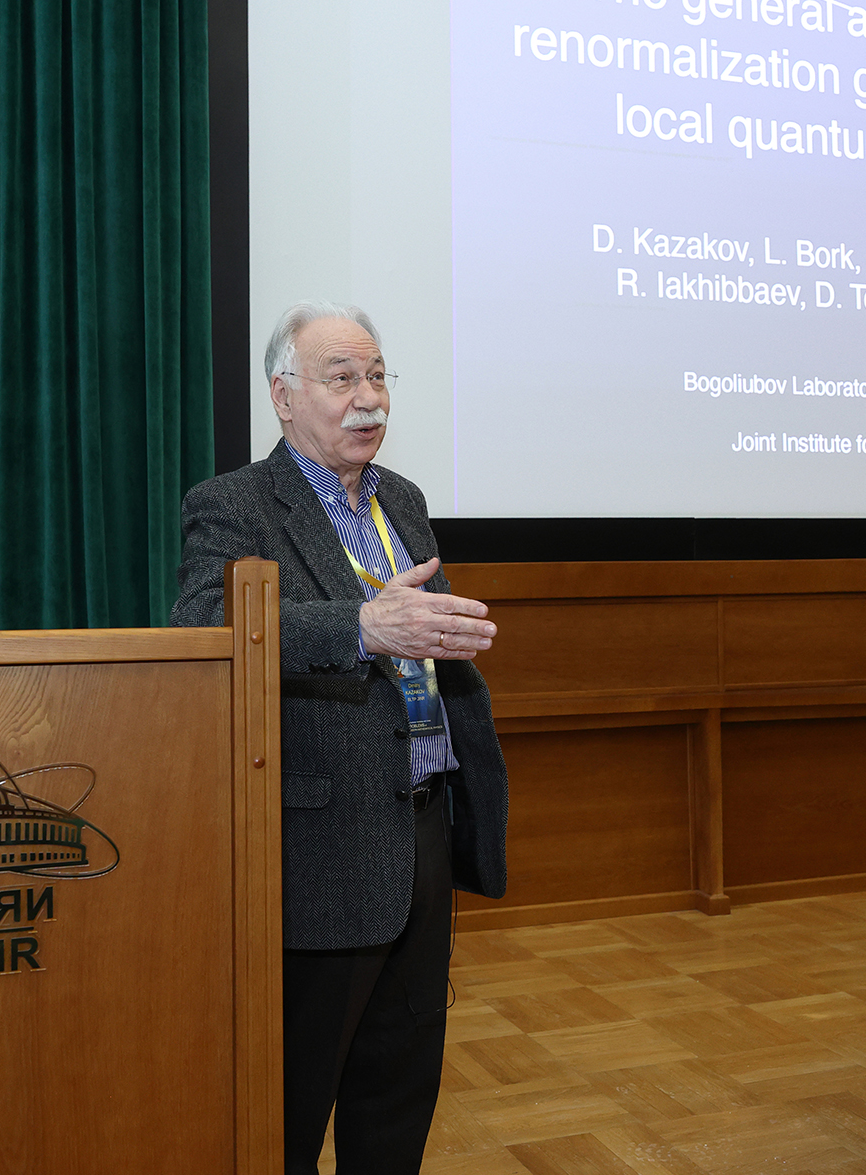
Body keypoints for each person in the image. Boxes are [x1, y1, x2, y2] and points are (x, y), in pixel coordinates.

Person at [171, 302, 508, 1173]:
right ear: (283, 396)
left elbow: (419, 633)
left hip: (421, 822)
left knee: (399, 1088)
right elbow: (207, 627)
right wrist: (362, 626)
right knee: (291, 1103)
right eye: (343, 378)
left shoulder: (404, 499)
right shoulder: (234, 504)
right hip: (320, 845)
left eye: (379, 376)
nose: (370, 398)